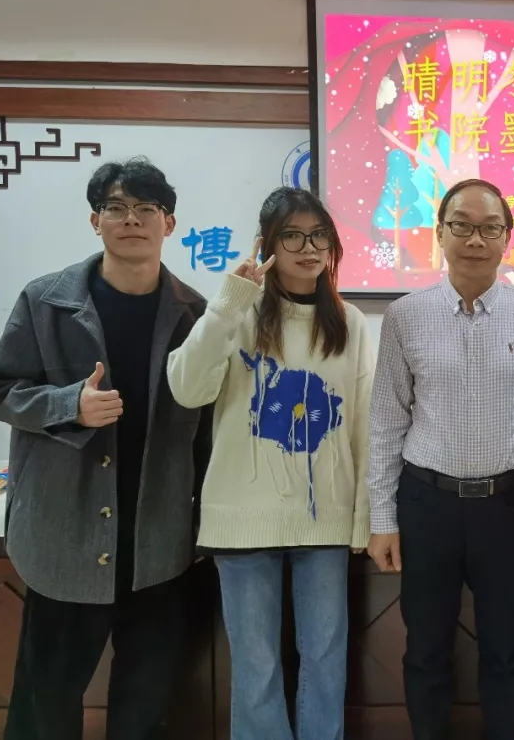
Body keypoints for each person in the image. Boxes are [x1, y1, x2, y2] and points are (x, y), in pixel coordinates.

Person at [0, 158, 210, 740]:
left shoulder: (195, 315)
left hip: (157, 544)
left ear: (168, 223)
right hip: (65, 538)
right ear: (95, 220)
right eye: (116, 207)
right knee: (46, 703)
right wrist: (68, 406)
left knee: (145, 706)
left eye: (146, 208)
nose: (131, 219)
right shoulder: (45, 301)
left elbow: (209, 429)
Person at [167, 187, 373, 740]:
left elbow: (363, 425)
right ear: (268, 244)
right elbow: (186, 388)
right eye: (292, 236)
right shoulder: (237, 312)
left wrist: (362, 517)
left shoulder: (350, 322)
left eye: (319, 235)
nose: (308, 248)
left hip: (325, 520)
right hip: (242, 518)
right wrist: (227, 303)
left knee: (325, 662)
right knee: (256, 668)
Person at [367, 178, 514, 740]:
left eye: (489, 228)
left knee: (506, 647)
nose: (475, 239)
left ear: (507, 237)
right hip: (426, 504)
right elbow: (386, 422)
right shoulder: (404, 315)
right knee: (425, 647)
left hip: (507, 507)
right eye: (462, 225)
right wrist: (382, 519)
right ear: (440, 233)